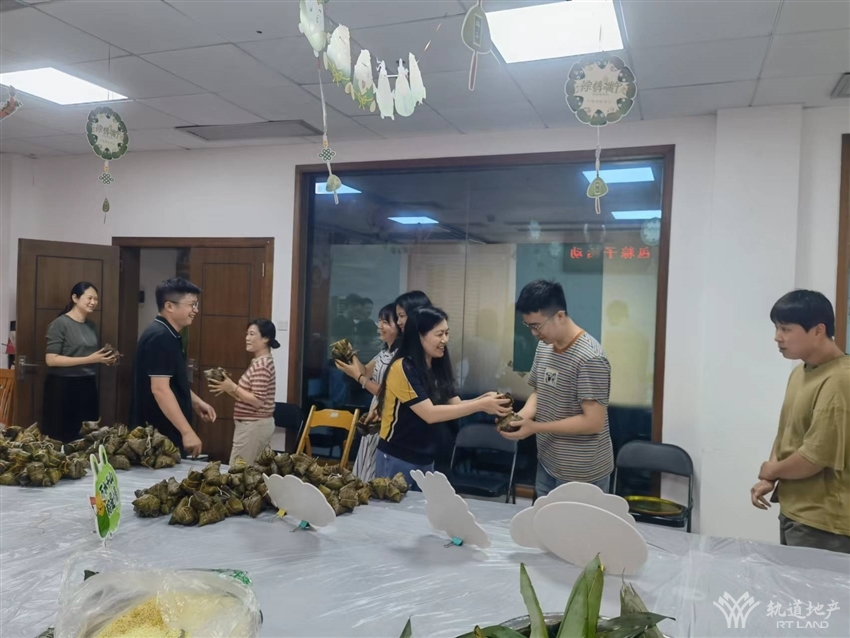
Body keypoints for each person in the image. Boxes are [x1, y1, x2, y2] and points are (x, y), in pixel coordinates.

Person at [751, 290, 850, 553]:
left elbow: (814, 457)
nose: (777, 337)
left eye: (786, 329)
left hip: (824, 523)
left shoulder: (840, 380)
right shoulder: (799, 372)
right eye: (776, 328)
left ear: (818, 330)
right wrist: (771, 476)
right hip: (794, 512)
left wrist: (772, 470)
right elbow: (786, 432)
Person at [374, 306, 510, 488]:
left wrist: (484, 399)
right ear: (419, 336)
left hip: (426, 458)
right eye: (439, 334)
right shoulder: (403, 367)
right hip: (398, 457)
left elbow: (455, 406)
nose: (445, 340)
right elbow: (429, 414)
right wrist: (481, 405)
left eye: (446, 333)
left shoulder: (437, 365)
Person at [500, 280, 613, 498]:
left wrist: (535, 427)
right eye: (528, 326)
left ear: (560, 316)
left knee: (573, 522)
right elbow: (540, 392)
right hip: (548, 461)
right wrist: (519, 419)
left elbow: (593, 422)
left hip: (581, 471)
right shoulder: (545, 346)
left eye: (537, 326)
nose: (533, 333)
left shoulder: (590, 358)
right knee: (543, 518)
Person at [131, 278, 216, 458]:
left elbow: (171, 381)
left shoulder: (168, 334)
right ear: (169, 306)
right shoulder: (160, 337)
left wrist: (195, 401)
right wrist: (187, 432)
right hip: (158, 435)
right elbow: (160, 389)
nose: (196, 310)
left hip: (165, 432)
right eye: (191, 305)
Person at [42, 282, 117, 442]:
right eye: (89, 298)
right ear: (75, 298)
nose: (93, 302)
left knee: (86, 435)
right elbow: (51, 359)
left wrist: (105, 358)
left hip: (87, 383)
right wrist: (91, 359)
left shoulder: (91, 325)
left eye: (96, 299)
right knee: (62, 435)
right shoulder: (60, 324)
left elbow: (89, 354)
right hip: (62, 386)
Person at [335, 303, 401, 480]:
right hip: (375, 409)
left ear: (399, 326)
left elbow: (387, 392)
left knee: (377, 468)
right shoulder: (384, 352)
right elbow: (365, 371)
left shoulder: (401, 356)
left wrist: (358, 378)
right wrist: (350, 355)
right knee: (366, 459)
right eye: (379, 321)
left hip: (388, 412)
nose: (380, 326)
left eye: (386, 322)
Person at [208, 319, 279, 466]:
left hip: (253, 426)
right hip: (252, 425)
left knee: (238, 471)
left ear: (266, 338)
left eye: (252, 334)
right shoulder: (259, 362)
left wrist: (233, 387)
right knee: (249, 471)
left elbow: (257, 401)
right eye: (247, 334)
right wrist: (227, 387)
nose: (247, 338)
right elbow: (246, 397)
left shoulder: (262, 365)